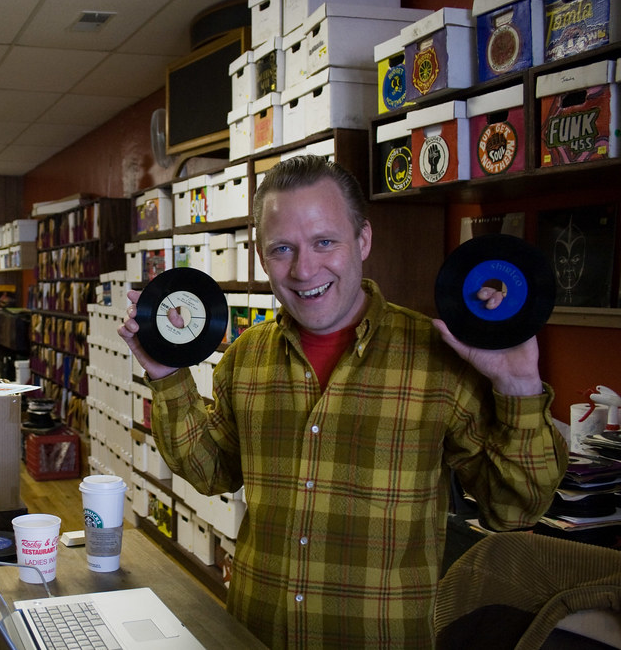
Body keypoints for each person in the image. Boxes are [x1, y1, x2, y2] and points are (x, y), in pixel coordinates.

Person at [117, 156, 568, 649]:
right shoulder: (245, 356)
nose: (304, 268)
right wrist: (166, 375)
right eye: (282, 248)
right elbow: (212, 474)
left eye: (324, 242)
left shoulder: (440, 358)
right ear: (261, 256)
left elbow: (514, 510)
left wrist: (519, 386)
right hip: (254, 635)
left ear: (363, 239)